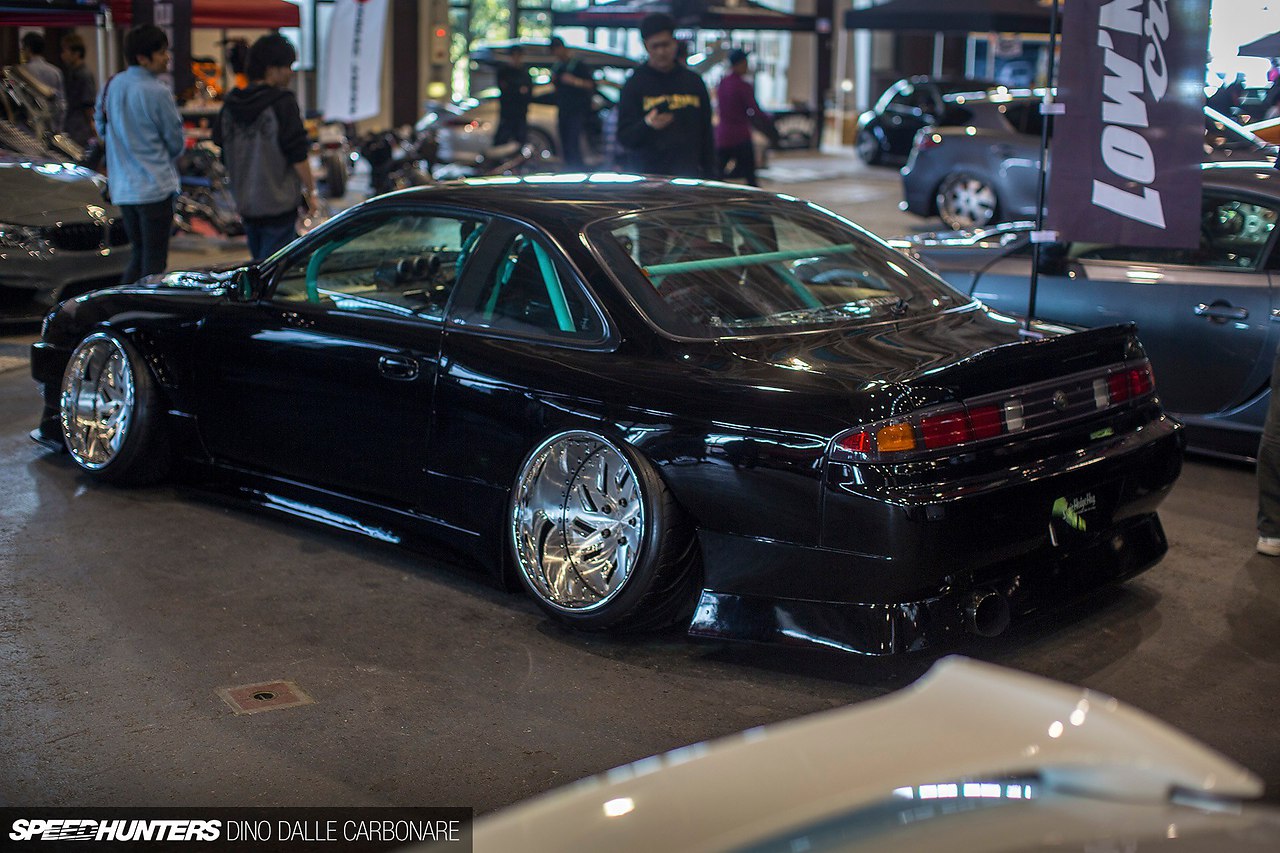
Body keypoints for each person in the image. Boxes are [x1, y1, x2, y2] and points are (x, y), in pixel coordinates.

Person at [214, 33, 318, 261]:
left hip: (245, 203)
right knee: (273, 269)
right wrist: (311, 192)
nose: (291, 72)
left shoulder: (230, 105)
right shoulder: (283, 103)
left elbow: (222, 148)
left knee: (259, 262)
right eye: (288, 66)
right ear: (271, 69)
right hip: (278, 204)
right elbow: (297, 153)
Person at [96, 25, 184, 284]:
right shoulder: (158, 91)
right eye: (161, 52)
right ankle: (140, 307)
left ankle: (121, 303)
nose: (167, 57)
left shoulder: (112, 85)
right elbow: (175, 142)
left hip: (123, 189)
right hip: (155, 187)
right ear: (142, 58)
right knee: (154, 263)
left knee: (138, 254)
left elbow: (101, 128)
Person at [616, 13, 715, 179]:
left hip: (689, 177)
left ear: (674, 42)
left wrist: (711, 175)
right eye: (655, 46)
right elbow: (625, 137)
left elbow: (707, 134)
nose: (661, 52)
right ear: (646, 46)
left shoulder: (693, 82)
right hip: (648, 179)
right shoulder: (634, 84)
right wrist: (648, 124)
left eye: (665, 44)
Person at [715, 48, 773, 187]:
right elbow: (754, 109)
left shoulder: (722, 83)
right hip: (740, 136)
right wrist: (769, 119)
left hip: (723, 135)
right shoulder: (743, 85)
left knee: (717, 174)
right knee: (750, 177)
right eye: (745, 63)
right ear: (739, 64)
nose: (747, 66)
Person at [550, 36, 595, 169]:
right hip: (563, 110)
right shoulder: (557, 67)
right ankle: (568, 168)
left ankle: (577, 168)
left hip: (578, 111)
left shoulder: (578, 65)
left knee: (574, 143)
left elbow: (591, 85)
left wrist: (574, 81)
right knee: (565, 144)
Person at [20, 32, 65, 134]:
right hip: (50, 127)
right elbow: (61, 104)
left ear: (28, 49)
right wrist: (58, 128)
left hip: (28, 129)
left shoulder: (23, 72)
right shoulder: (55, 72)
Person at [60, 33, 97, 148]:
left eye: (65, 51)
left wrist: (93, 125)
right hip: (73, 125)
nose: (63, 55)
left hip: (80, 128)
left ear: (76, 53)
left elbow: (88, 104)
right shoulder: (72, 72)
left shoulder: (83, 74)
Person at [494, 45, 532, 147]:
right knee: (502, 139)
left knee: (520, 140)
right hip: (507, 113)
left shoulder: (524, 73)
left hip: (520, 113)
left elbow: (528, 92)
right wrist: (518, 90)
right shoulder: (504, 72)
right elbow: (505, 89)